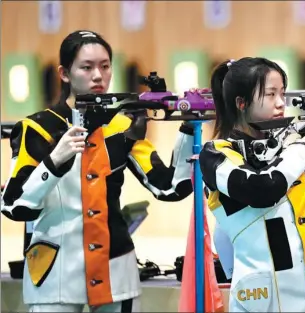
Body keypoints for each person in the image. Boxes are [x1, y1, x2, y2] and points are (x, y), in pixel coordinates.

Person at [1, 30, 195, 312]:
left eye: (105, 66)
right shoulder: (37, 128)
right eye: (87, 67)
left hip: (115, 269)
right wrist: (54, 161)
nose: (98, 76)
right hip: (55, 274)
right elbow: (13, 205)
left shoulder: (120, 126)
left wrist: (188, 128)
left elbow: (169, 187)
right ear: (64, 73)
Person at [198, 57, 305, 312]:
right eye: (270, 94)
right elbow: (262, 189)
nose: (281, 103)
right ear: (241, 103)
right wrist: (303, 148)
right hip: (268, 298)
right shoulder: (216, 154)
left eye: (282, 93)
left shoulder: (291, 153)